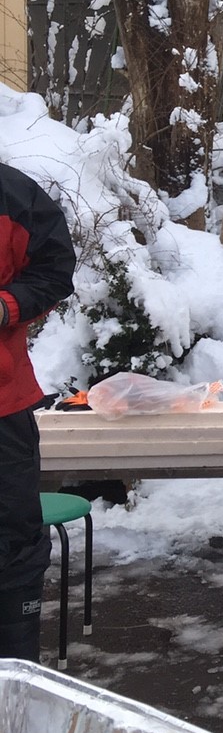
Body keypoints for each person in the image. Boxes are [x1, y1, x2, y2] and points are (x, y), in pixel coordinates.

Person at [0, 162, 76, 662]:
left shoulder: (12, 194)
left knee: (13, 549)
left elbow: (54, 268)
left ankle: (13, 683)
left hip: (3, 411)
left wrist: (7, 306)